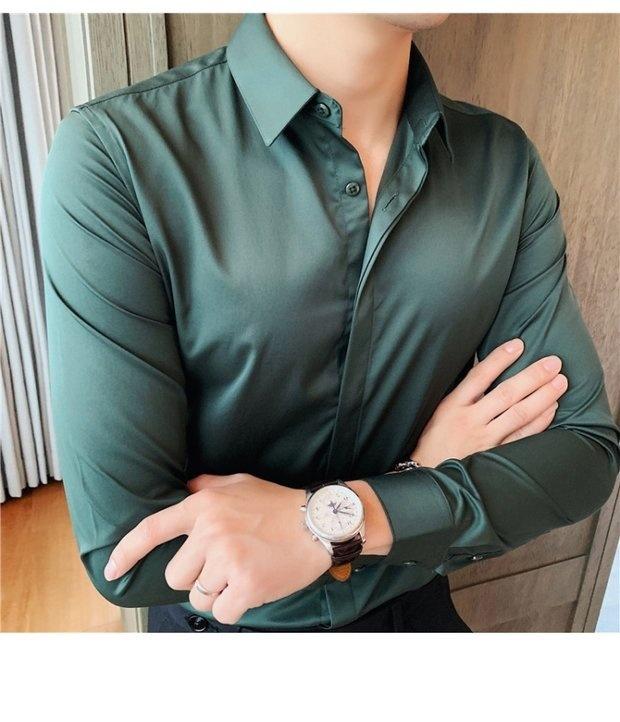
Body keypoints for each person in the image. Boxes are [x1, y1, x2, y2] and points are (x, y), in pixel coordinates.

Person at [39, 12, 619, 633]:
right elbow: (133, 554)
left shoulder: (503, 165)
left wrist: (345, 519)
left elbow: (581, 454)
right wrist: (421, 490)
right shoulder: (118, 151)